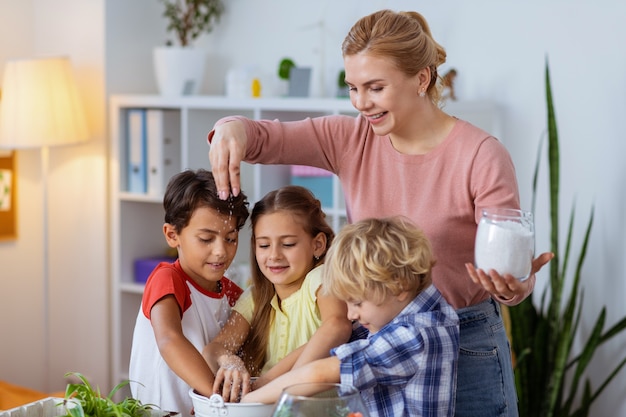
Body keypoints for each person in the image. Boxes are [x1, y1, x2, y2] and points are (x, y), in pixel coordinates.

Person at [206, 9, 554, 416]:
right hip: (375, 335)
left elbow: (509, 264)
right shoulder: (350, 137)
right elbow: (266, 138)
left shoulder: (480, 155)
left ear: (421, 79)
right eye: (353, 88)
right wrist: (231, 128)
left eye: (374, 88)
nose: (361, 103)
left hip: (463, 341)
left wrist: (515, 287)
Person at [243, 216, 460, 417]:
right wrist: (267, 380)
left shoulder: (414, 335)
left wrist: (247, 404)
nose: (351, 314)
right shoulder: (407, 311)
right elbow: (325, 350)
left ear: (399, 286)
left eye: (357, 302)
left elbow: (321, 374)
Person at [202, 185, 353, 402]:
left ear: (318, 245)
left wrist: (270, 381)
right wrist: (229, 361)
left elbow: (337, 325)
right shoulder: (256, 297)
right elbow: (214, 349)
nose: (274, 255)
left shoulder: (320, 279)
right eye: (264, 245)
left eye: (288, 244)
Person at [129, 169, 250, 415]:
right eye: (206, 239)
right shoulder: (168, 279)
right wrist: (215, 398)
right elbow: (169, 340)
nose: (221, 251)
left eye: (231, 239)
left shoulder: (235, 296)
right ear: (173, 235)